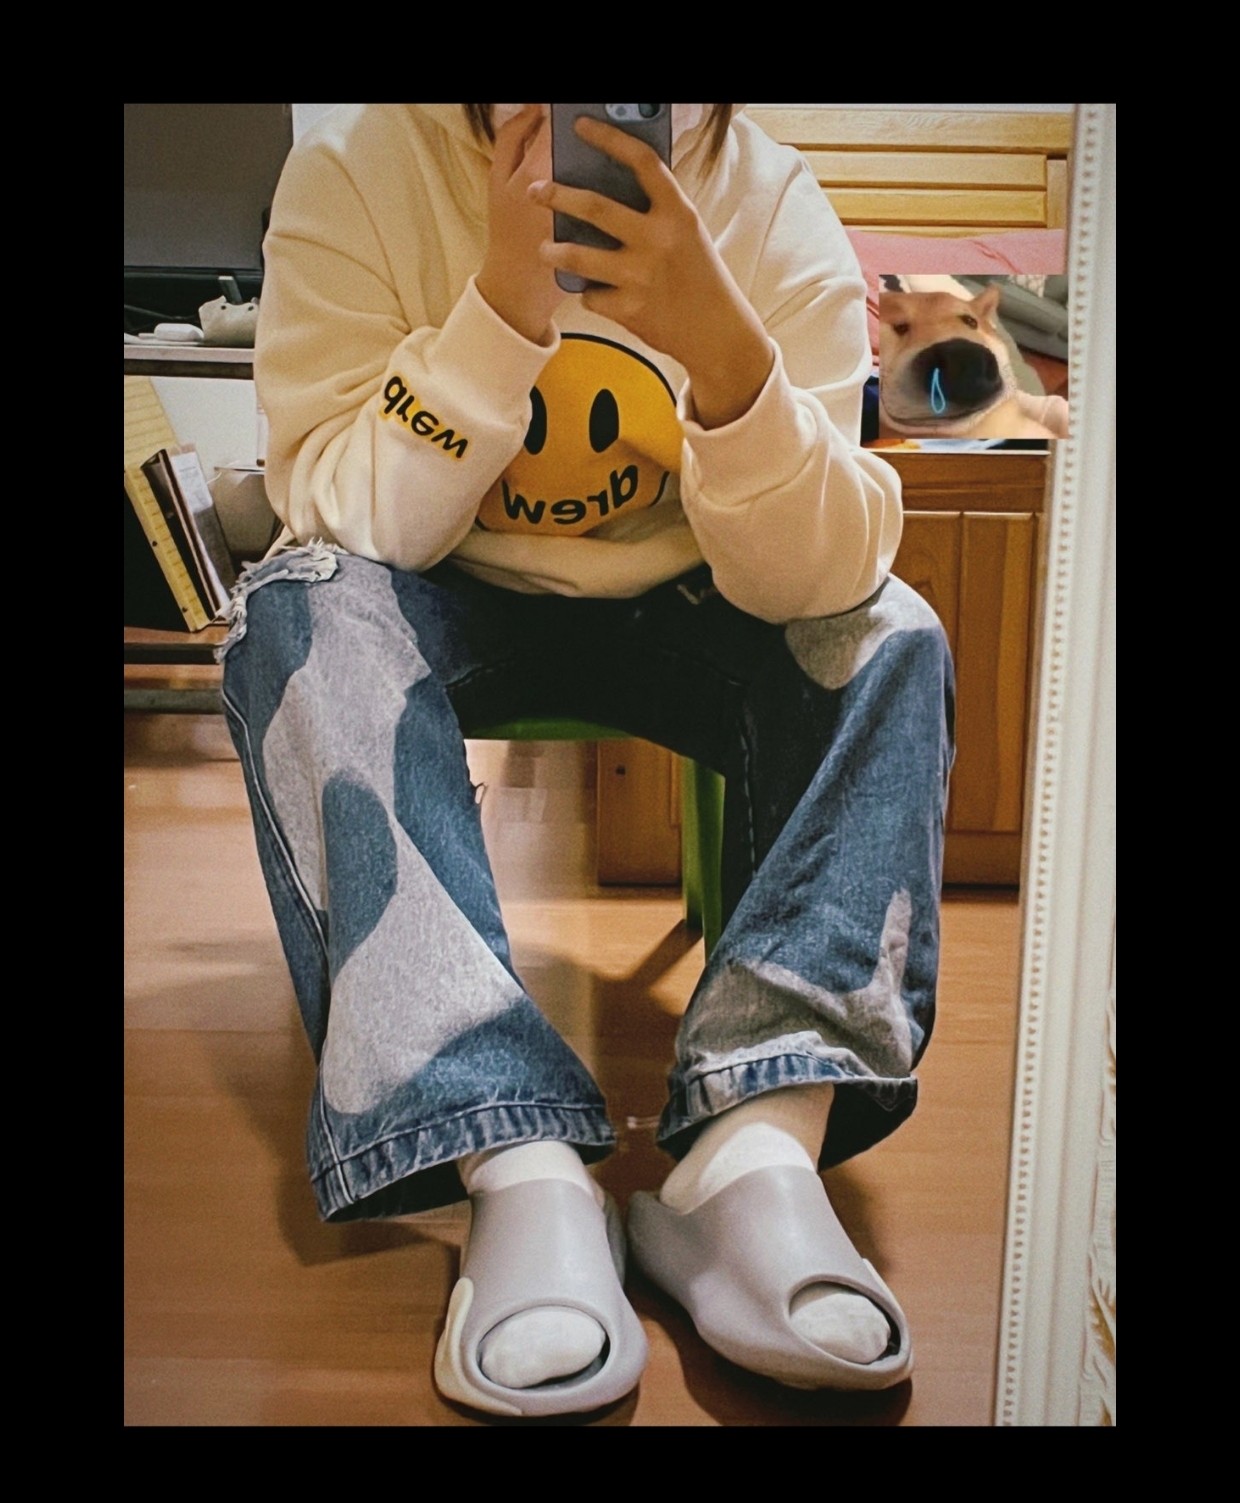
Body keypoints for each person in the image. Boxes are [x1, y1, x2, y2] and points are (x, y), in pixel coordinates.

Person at [219, 103, 954, 1419]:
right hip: (439, 588)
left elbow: (826, 574)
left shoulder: (767, 198)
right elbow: (337, 513)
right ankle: (512, 1160)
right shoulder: (359, 173)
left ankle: (753, 1154)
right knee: (293, 607)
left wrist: (725, 358)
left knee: (890, 630)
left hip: (695, 599)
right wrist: (502, 311)